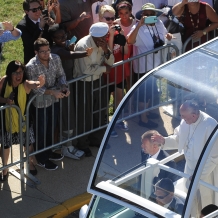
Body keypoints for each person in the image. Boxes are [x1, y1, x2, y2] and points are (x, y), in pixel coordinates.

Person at [152, 100, 218, 215]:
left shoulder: (210, 125)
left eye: (184, 116)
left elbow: (214, 157)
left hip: (206, 173)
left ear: (194, 115)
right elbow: (178, 140)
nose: (181, 118)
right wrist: (164, 141)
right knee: (192, 202)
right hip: (189, 170)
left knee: (207, 205)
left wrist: (198, 175)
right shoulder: (185, 122)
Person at [48, 24, 93, 159]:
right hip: (61, 88)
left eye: (64, 35)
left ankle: (67, 144)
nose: (63, 38)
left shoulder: (62, 47)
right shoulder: (56, 50)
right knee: (66, 116)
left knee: (69, 115)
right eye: (59, 37)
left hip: (68, 86)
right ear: (52, 39)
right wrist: (86, 53)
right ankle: (67, 147)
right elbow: (68, 55)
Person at [26, 38, 69, 170]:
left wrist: (64, 87)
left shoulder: (55, 58)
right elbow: (37, 89)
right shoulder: (31, 66)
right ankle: (41, 158)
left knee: (51, 128)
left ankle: (49, 152)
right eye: (43, 52)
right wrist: (53, 92)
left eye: (48, 50)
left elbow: (61, 75)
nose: (46, 54)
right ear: (36, 52)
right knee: (41, 131)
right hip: (39, 104)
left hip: (54, 100)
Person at [127, 3, 172, 128]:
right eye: (145, 14)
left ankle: (146, 113)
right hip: (143, 67)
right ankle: (143, 119)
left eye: (151, 14)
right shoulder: (138, 26)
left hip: (155, 64)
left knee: (151, 92)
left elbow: (165, 36)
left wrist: (168, 37)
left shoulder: (159, 23)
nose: (148, 16)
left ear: (155, 14)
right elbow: (130, 41)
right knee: (144, 94)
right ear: (142, 15)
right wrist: (139, 25)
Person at [73, 22, 114, 157]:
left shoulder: (102, 43)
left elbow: (111, 62)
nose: (104, 39)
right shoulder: (83, 45)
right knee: (84, 114)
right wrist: (103, 69)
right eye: (101, 38)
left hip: (98, 81)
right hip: (84, 83)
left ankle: (96, 139)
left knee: (99, 110)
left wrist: (106, 50)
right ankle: (82, 144)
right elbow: (86, 70)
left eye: (105, 37)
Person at [0, 60, 45, 181]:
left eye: (20, 72)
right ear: (9, 74)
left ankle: (30, 163)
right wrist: (6, 101)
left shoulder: (25, 84)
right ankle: (5, 170)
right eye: (15, 72)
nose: (18, 75)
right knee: (5, 145)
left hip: (23, 122)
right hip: (6, 122)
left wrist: (39, 83)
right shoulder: (4, 81)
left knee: (28, 144)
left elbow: (32, 84)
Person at [99, 5, 129, 137]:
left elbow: (126, 51)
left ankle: (117, 121)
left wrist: (122, 36)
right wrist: (111, 36)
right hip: (107, 72)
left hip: (119, 71)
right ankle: (106, 125)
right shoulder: (99, 33)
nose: (111, 20)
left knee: (118, 98)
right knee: (105, 102)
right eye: (107, 18)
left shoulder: (117, 31)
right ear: (100, 18)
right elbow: (109, 55)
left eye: (112, 17)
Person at [115, 1, 136, 91]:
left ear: (130, 12)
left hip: (133, 50)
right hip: (122, 50)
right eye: (121, 13)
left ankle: (131, 93)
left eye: (126, 13)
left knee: (131, 75)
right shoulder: (116, 23)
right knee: (124, 75)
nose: (124, 16)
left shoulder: (135, 22)